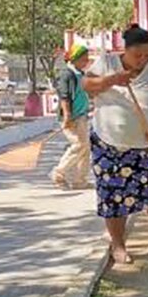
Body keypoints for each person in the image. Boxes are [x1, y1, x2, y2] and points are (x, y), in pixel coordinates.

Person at [83, 25, 148, 264]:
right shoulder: (106, 63)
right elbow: (87, 85)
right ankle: (118, 245)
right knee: (113, 196)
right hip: (109, 146)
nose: (143, 60)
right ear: (125, 51)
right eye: (138, 55)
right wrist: (114, 80)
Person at [50, 44, 93, 189]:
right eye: (84, 59)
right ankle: (58, 173)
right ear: (75, 59)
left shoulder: (80, 73)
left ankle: (80, 181)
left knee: (85, 148)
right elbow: (64, 97)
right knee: (78, 145)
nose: (86, 61)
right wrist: (67, 116)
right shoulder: (66, 74)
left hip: (81, 116)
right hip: (71, 117)